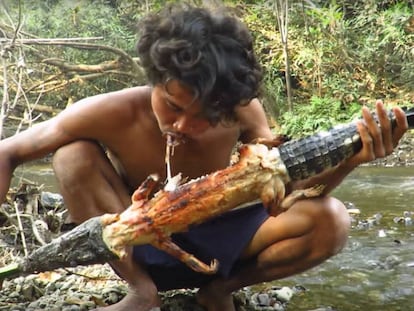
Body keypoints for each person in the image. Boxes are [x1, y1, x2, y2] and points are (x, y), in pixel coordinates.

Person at [0, 4, 408, 311]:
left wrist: (352, 159)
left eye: (205, 117)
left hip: (219, 246)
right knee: (71, 155)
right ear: (156, 81)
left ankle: (219, 291)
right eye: (173, 106)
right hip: (136, 246)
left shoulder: (242, 110)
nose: (182, 124)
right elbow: (9, 151)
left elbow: (287, 191)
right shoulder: (108, 111)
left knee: (332, 218)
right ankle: (142, 293)